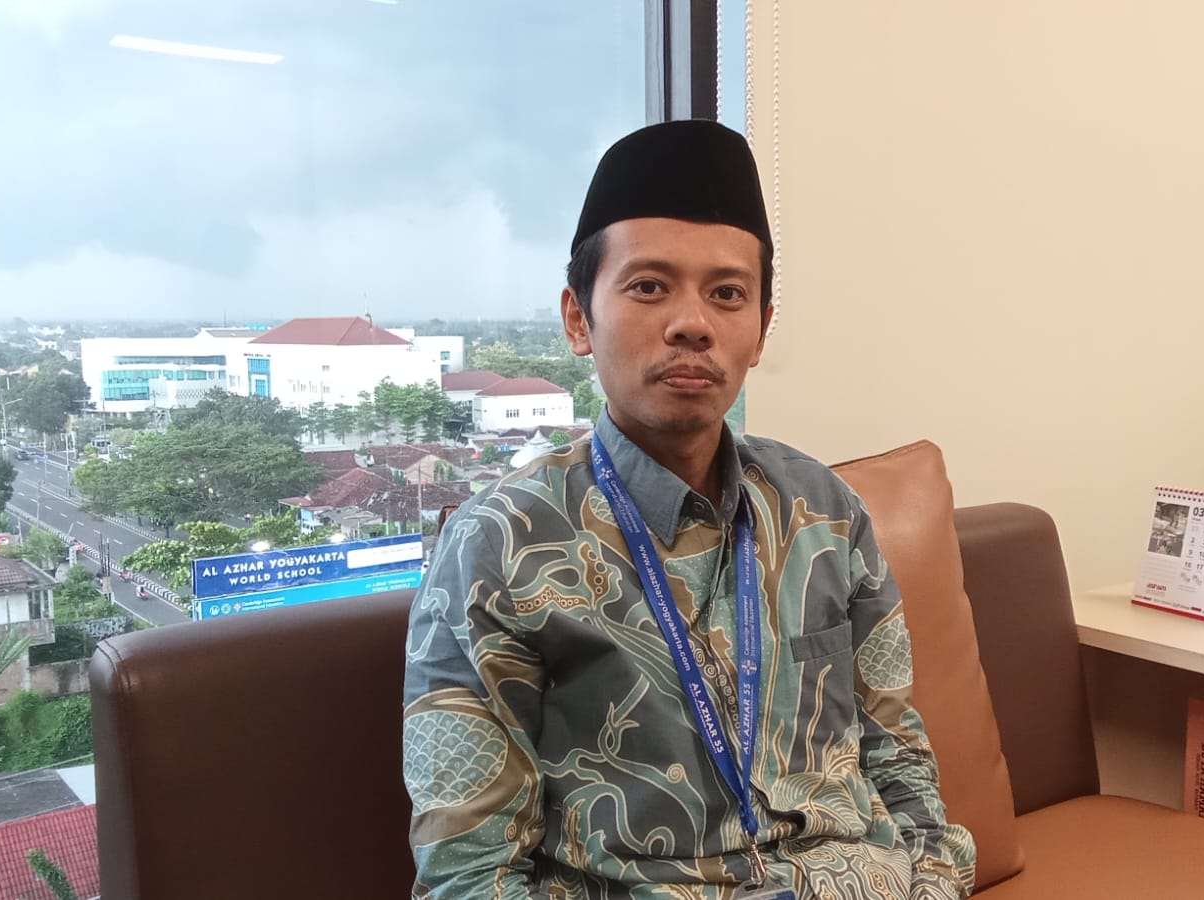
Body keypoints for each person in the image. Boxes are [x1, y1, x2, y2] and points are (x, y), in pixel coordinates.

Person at [403, 120, 976, 900]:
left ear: (761, 329)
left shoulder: (825, 512)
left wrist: (936, 886)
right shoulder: (499, 546)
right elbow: (468, 875)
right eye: (648, 286)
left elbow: (899, 759)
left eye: (728, 293)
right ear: (578, 317)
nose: (692, 323)